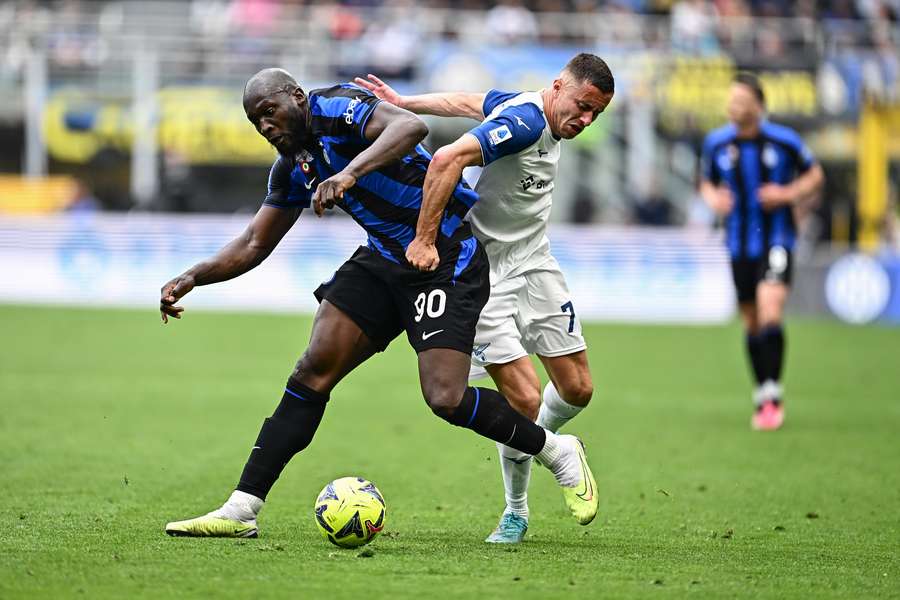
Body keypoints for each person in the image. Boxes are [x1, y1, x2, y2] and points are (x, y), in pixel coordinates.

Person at [160, 68, 599, 538]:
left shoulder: (334, 108)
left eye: (269, 112)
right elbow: (253, 243)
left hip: (445, 256)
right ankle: (241, 509)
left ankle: (556, 451)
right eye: (255, 121)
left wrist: (349, 173)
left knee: (445, 398)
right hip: (384, 259)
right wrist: (192, 276)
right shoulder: (294, 165)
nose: (265, 126)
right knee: (312, 371)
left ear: (296, 97)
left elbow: (410, 127)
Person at [354, 52, 614, 543]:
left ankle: (552, 441)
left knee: (577, 387)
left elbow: (469, 101)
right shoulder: (522, 122)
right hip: (482, 272)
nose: (585, 120)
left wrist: (407, 100)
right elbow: (448, 158)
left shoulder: (522, 106)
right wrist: (425, 239)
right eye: (582, 106)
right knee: (523, 399)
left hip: (534, 260)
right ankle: (517, 509)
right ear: (558, 86)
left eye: (596, 113)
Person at [700, 72, 824, 431]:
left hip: (777, 239)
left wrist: (787, 194)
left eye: (740, 101)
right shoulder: (717, 143)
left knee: (771, 310)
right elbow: (706, 182)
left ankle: (772, 395)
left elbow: (815, 176)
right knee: (752, 320)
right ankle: (762, 392)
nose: (732, 107)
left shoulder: (784, 141)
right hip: (738, 244)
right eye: (730, 101)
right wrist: (714, 199)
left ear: (758, 106)